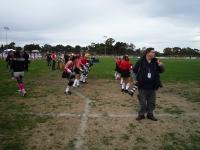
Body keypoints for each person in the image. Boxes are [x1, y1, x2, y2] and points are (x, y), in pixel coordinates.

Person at [133, 47, 164, 121]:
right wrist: (134, 79)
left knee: (151, 102)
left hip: (153, 86)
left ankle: (150, 114)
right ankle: (141, 114)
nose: (154, 53)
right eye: (153, 52)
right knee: (143, 103)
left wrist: (161, 65)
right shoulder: (140, 61)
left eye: (154, 52)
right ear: (148, 53)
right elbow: (133, 71)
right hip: (142, 86)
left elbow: (162, 71)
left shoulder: (156, 61)